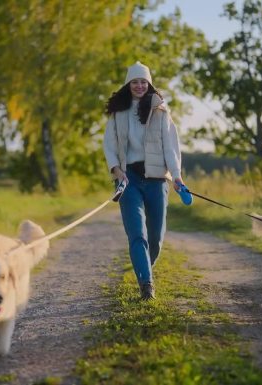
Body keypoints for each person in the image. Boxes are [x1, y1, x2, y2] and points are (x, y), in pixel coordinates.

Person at [102, 61, 184, 300]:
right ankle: (146, 284)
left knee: (156, 237)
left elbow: (171, 146)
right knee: (137, 234)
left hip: (157, 179)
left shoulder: (161, 111)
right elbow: (109, 145)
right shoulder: (118, 112)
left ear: (149, 84)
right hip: (129, 179)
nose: (139, 85)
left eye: (143, 82)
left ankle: (145, 268)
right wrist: (117, 170)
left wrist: (177, 176)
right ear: (128, 85)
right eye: (134, 82)